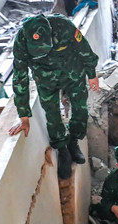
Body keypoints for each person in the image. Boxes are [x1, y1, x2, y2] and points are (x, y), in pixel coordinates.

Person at [8, 13, 99, 179]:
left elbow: (84, 49)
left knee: (80, 108)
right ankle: (62, 149)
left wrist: (92, 74)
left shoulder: (64, 26)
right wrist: (24, 115)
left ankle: (73, 141)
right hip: (46, 80)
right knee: (52, 114)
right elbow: (19, 78)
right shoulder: (21, 42)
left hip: (73, 74)